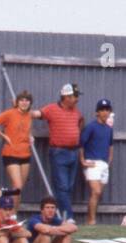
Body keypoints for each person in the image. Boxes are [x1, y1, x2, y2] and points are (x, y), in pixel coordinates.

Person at [39, 83, 84, 222]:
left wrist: (75, 135)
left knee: (68, 187)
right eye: (75, 96)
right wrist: (22, 109)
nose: (77, 99)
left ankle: (63, 216)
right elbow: (37, 114)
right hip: (59, 151)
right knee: (62, 186)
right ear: (66, 96)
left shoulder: (76, 111)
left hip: (73, 152)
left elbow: (81, 122)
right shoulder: (52, 109)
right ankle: (68, 217)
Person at [0, 91, 37, 208]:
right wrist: (3, 135)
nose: (24, 102)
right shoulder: (10, 113)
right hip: (11, 153)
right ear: (17, 102)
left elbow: (25, 129)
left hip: (25, 154)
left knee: (18, 189)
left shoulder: (29, 115)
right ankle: (4, 204)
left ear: (30, 103)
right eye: (22, 100)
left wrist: (30, 136)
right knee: (17, 187)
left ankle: (13, 216)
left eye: (27, 100)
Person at [80, 99, 114, 225]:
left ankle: (89, 220)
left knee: (96, 195)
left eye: (107, 110)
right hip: (92, 163)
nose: (105, 112)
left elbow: (110, 145)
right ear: (97, 112)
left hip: (104, 164)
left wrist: (109, 160)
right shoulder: (90, 127)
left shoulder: (109, 129)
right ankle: (92, 221)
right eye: (102, 110)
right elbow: (81, 144)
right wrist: (82, 160)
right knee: (96, 191)